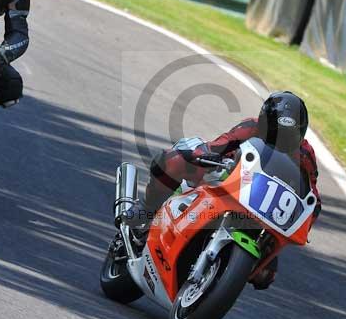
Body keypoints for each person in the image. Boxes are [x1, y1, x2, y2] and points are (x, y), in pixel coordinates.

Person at [126, 91, 322, 290]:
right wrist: (205, 153)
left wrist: (307, 218)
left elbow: (312, 197)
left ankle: (220, 274)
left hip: (263, 212)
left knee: (265, 274)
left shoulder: (306, 155)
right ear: (264, 124)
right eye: (275, 134)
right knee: (172, 161)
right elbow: (218, 145)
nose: (281, 141)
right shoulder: (250, 128)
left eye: (289, 136)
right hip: (227, 184)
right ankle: (148, 209)